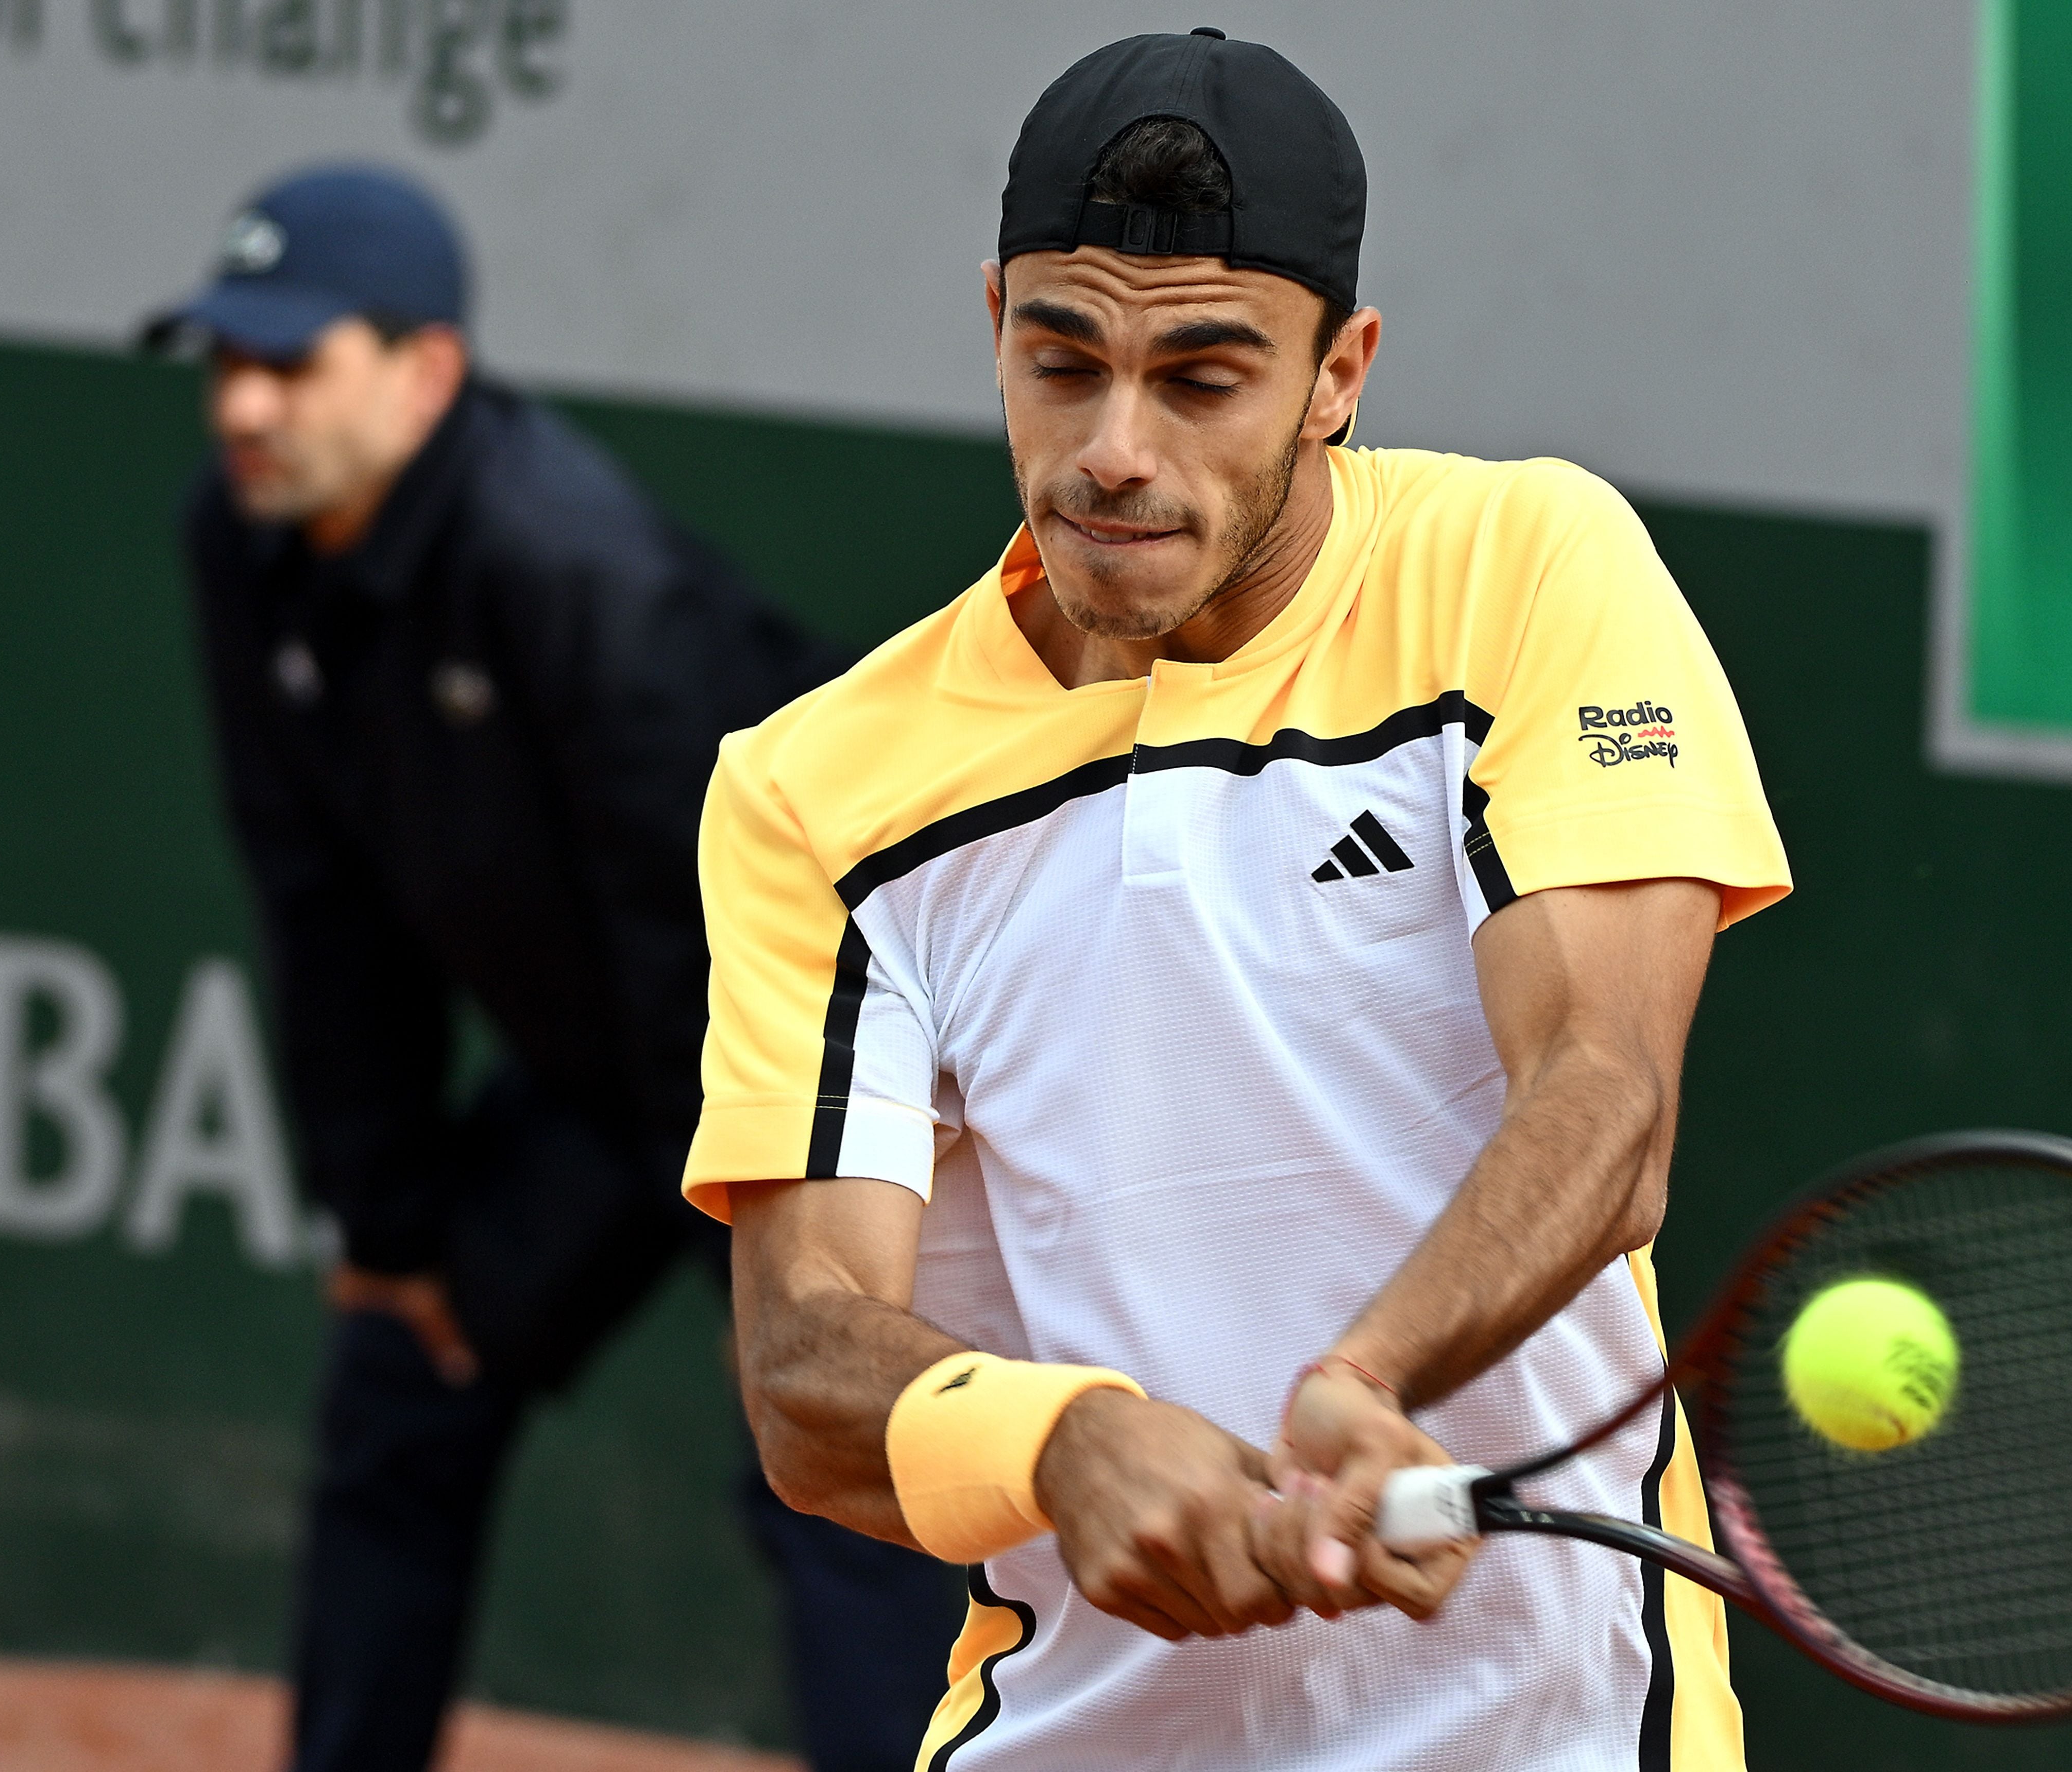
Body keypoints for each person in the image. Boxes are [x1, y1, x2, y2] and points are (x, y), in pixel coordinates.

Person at [687, 29, 1793, 1771]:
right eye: (1065, 362)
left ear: (1339, 374)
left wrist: (1370, 1378)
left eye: (1204, 378)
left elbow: (1606, 1097)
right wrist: (1057, 1440)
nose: (1115, 450)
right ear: (996, 328)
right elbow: (807, 1372)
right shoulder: (816, 792)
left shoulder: (1526, 570)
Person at [142, 165, 957, 1772]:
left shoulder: (573, 571)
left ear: (426, 372)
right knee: (402, 1369)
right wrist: (397, 1234)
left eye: (290, 366)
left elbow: (737, 943)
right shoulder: (246, 549)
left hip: (819, 1046)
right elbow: (326, 914)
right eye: (224, 364)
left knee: (832, 1451)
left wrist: (777, 1254)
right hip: (616, 1064)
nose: (242, 406)